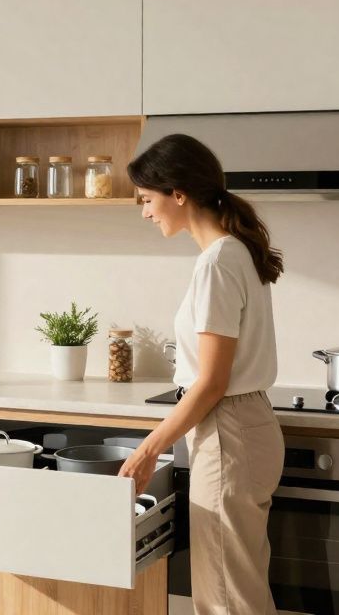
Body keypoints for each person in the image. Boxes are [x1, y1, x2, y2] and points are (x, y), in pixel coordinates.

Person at [116, 134, 285, 615]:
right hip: (246, 428)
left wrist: (150, 447)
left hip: (228, 431)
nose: (145, 212)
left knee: (226, 599)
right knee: (240, 588)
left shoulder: (217, 262)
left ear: (178, 193)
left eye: (147, 200)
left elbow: (211, 382)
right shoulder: (235, 252)